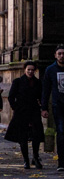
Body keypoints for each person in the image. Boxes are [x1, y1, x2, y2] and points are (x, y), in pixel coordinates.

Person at [6, 61, 44, 169]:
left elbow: (41, 96)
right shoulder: (18, 81)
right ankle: (26, 159)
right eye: (29, 70)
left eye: (32, 70)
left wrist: (42, 107)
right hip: (21, 112)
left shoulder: (38, 82)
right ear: (25, 70)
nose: (31, 72)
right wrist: (15, 108)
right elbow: (11, 97)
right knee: (23, 137)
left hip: (34, 111)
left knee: (36, 135)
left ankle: (36, 157)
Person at [41, 44, 64, 172]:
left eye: (63, 53)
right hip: (58, 106)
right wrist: (44, 108)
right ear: (55, 55)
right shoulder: (50, 70)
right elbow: (46, 90)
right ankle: (61, 162)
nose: (61, 56)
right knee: (61, 132)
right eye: (59, 53)